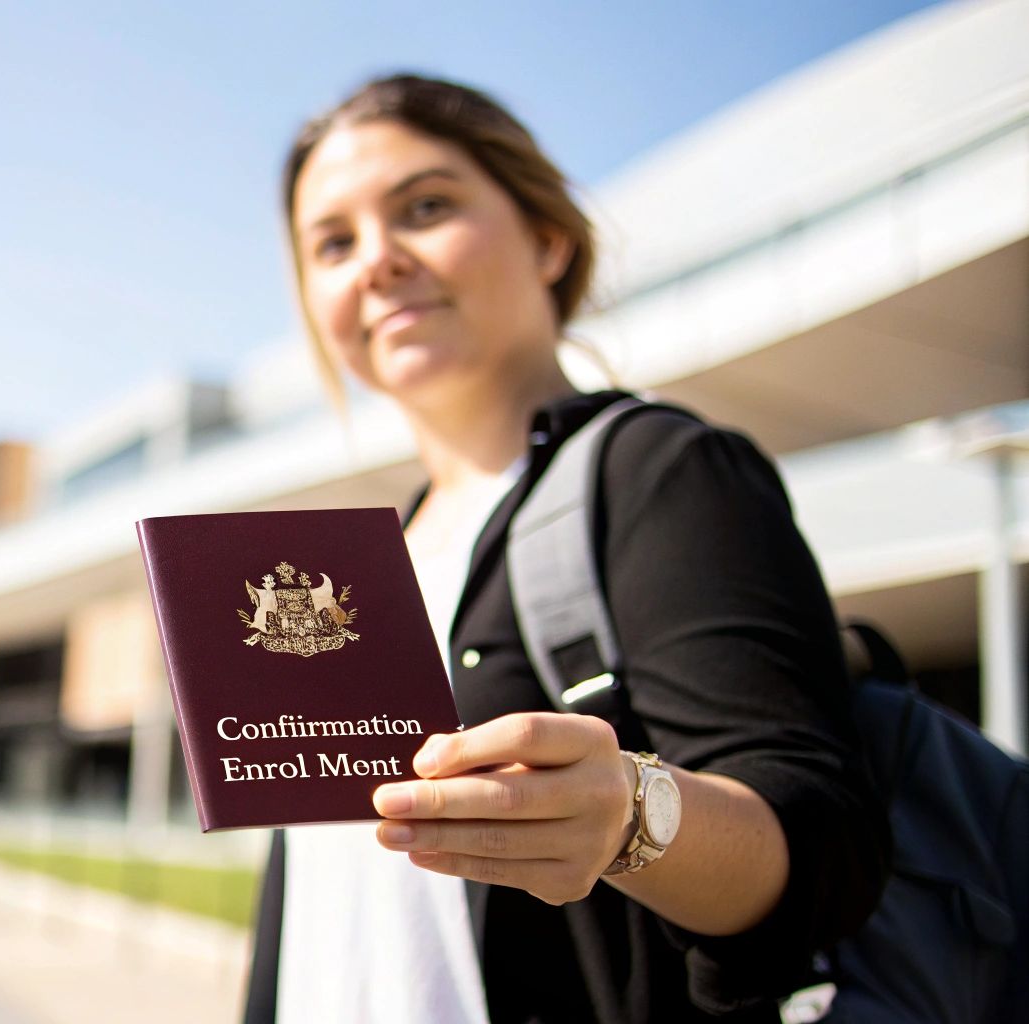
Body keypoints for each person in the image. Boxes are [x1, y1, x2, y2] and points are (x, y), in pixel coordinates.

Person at [243, 74, 890, 1024]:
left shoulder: (662, 471)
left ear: (549, 239)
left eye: (425, 208)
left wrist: (633, 815)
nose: (376, 260)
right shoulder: (357, 574)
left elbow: (824, 850)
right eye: (332, 244)